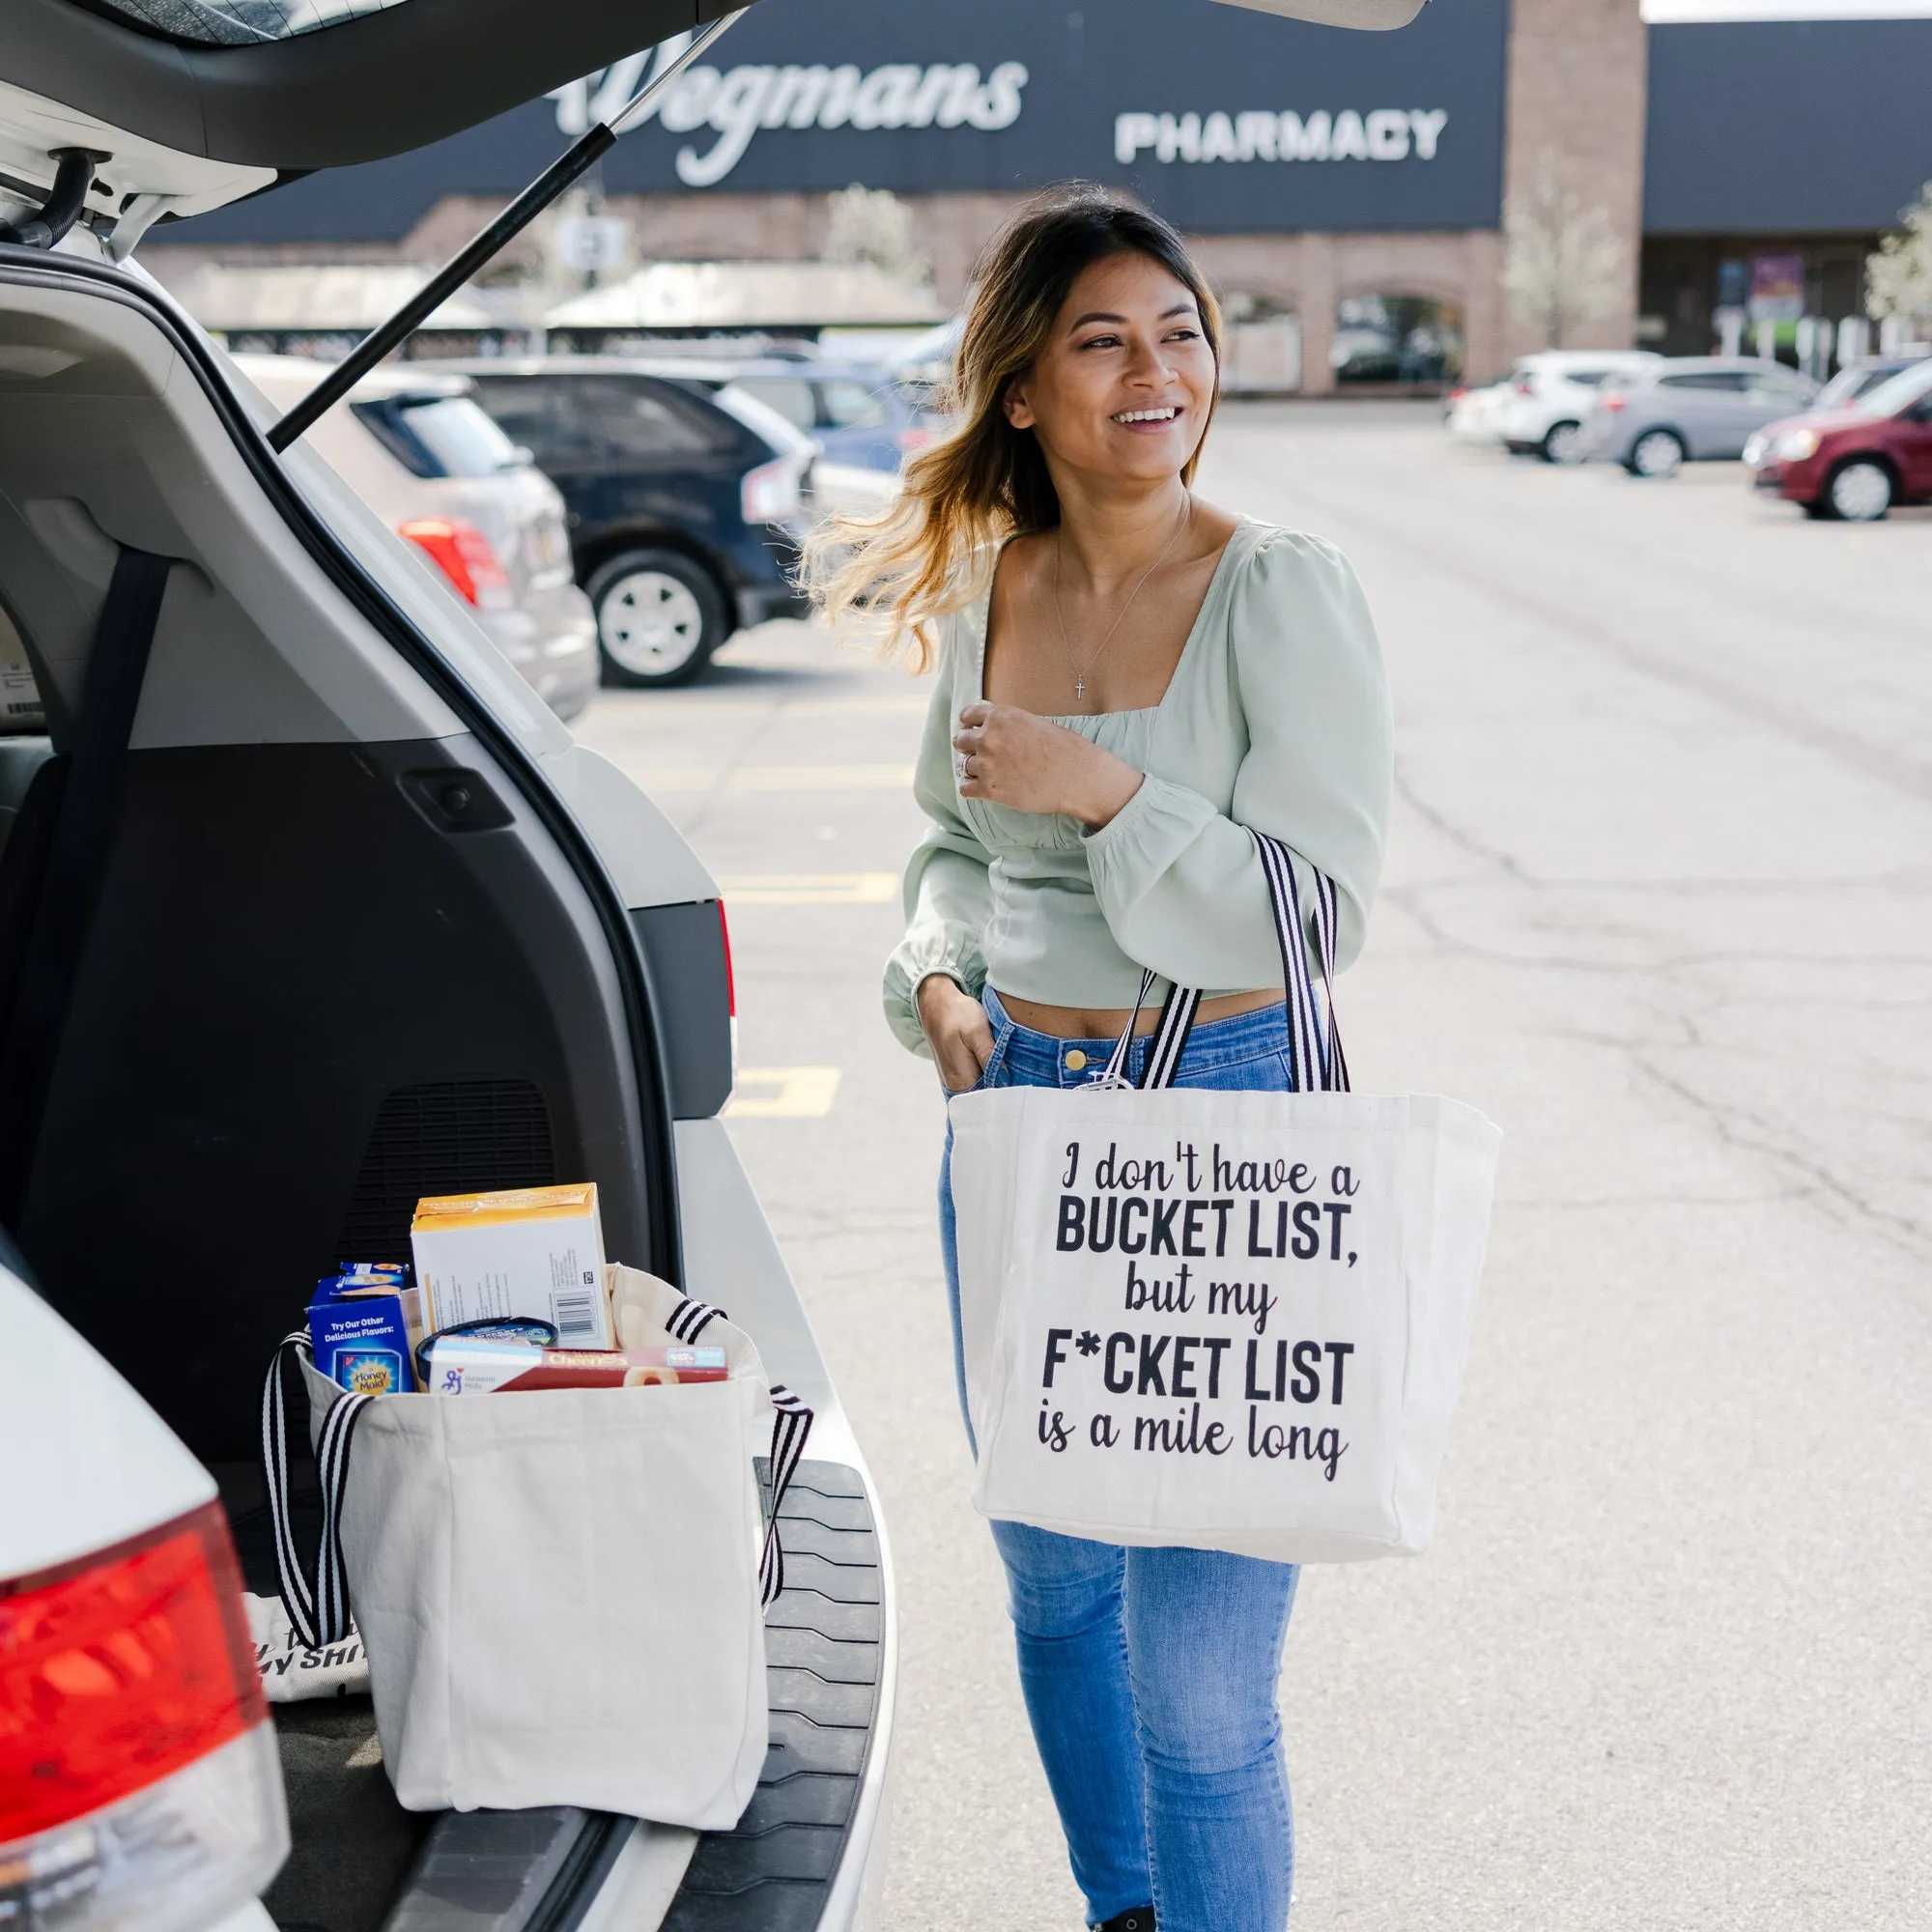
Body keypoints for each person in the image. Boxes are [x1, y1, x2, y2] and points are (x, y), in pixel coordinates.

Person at [810, 185, 1393, 1932]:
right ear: (1019, 392)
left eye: (1184, 331)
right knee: (1057, 1586)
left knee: (1202, 1691)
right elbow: (948, 852)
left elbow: (1316, 909)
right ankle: (1122, 1911)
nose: (1159, 370)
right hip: (1018, 1128)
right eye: (1103, 337)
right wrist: (932, 981)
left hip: (1223, 1115)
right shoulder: (1002, 586)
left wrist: (1107, 792)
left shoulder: (1281, 591)